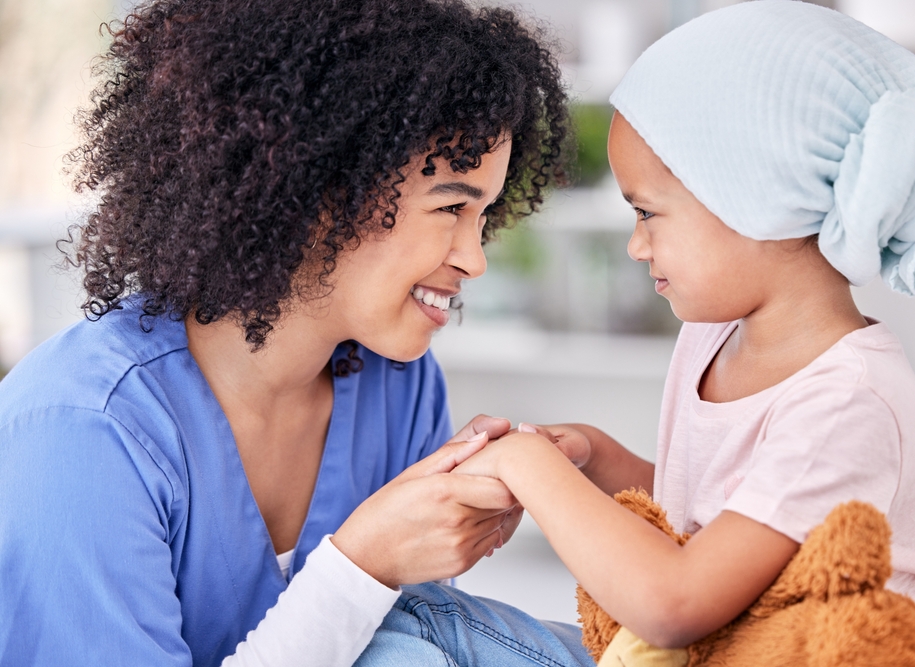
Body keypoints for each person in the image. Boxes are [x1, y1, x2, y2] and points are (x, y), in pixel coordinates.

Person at [354, 2, 915, 664]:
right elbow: (722, 527)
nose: (636, 245)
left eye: (647, 212)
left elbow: (676, 605)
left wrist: (531, 466)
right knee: (411, 621)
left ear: (755, 199)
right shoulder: (714, 337)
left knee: (423, 628)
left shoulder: (849, 402)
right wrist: (596, 458)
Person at [0, 0, 572, 665]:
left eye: (485, 214)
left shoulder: (401, 387)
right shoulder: (82, 428)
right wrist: (363, 561)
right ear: (317, 184)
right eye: (451, 206)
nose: (475, 258)